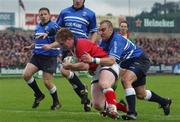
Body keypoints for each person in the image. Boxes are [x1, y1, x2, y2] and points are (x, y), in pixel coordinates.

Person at [43, 28, 127, 119]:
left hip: (105, 65)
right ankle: (122, 107)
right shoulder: (74, 47)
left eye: (62, 43)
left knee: (104, 84)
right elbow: (88, 66)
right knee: (97, 105)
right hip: (97, 70)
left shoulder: (80, 45)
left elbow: (85, 66)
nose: (62, 46)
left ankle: (112, 109)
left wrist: (70, 66)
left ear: (69, 39)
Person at [97, 20, 172, 120]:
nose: (100, 33)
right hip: (129, 64)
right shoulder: (104, 42)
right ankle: (164, 102)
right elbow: (102, 57)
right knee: (141, 94)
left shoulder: (116, 39)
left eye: (103, 30)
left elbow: (111, 60)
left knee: (126, 80)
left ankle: (132, 113)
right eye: (99, 30)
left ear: (110, 29)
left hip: (139, 60)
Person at [55, 0, 98, 112]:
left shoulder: (90, 13)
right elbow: (58, 29)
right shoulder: (64, 12)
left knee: (67, 71)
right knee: (67, 73)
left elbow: (94, 31)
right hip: (67, 48)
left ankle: (88, 95)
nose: (78, 0)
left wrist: (91, 45)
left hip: (81, 47)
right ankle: (85, 96)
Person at [23, 7, 61, 110]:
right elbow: (38, 42)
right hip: (37, 56)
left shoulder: (54, 26)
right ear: (39, 16)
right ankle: (39, 94)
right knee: (26, 75)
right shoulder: (37, 27)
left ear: (49, 15)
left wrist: (50, 46)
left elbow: (59, 41)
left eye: (45, 14)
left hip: (49, 57)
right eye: (41, 14)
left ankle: (56, 102)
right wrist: (30, 47)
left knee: (47, 82)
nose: (43, 16)